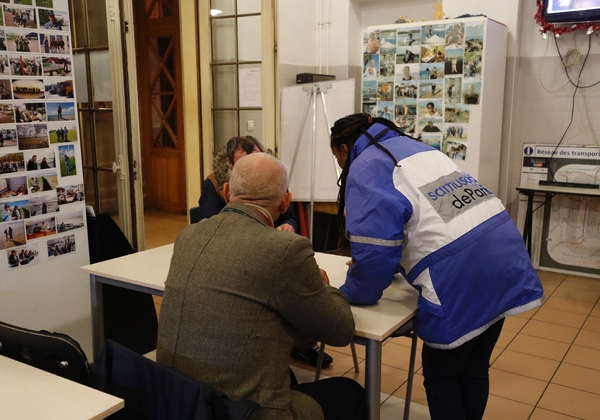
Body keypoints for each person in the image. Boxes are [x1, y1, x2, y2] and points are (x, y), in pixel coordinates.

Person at [328, 113, 544, 420]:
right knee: (473, 367)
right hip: (505, 257)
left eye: (336, 157)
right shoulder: (417, 148)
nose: (339, 165)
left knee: (443, 376)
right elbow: (426, 219)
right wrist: (382, 263)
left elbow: (375, 259)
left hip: (462, 273)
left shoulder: (366, 166)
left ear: (344, 149)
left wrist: (348, 292)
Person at [157, 153, 368, 420]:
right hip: (237, 411)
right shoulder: (285, 249)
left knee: (286, 374)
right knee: (349, 392)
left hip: (178, 400)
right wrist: (324, 284)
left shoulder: (188, 236)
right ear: (285, 201)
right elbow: (340, 331)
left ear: (227, 192)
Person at [197, 136, 331, 367]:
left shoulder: (272, 175)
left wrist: (289, 225)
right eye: (244, 161)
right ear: (230, 164)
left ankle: (301, 345)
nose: (253, 165)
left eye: (256, 157)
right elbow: (209, 221)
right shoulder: (214, 184)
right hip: (234, 255)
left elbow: (288, 215)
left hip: (271, 251)